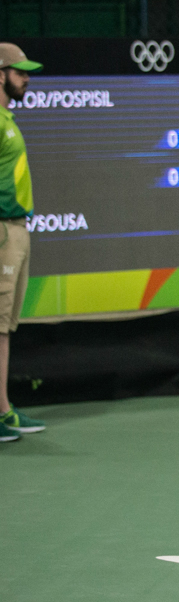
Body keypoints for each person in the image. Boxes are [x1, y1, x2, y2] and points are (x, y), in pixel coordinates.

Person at [0, 42, 45, 444]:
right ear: (0, 74)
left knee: (3, 327)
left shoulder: (6, 118)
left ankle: (4, 410)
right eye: (20, 72)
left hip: (16, 229)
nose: (27, 78)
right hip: (1, 231)